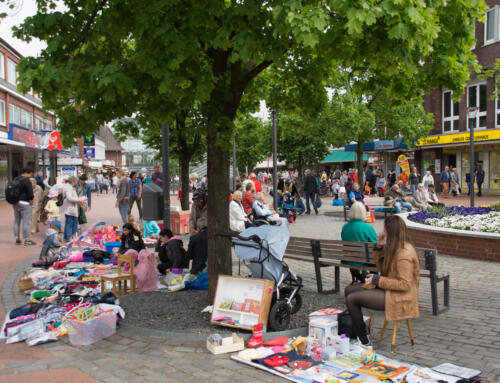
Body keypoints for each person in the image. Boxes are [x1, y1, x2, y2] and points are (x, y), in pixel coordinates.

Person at [345, 215, 420, 347]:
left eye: (385, 230)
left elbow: (405, 284)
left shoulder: (404, 254)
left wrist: (378, 280)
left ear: (391, 232)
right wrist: (379, 247)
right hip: (389, 288)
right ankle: (360, 330)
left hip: (400, 296)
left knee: (352, 299)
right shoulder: (394, 246)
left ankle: (364, 341)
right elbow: (381, 268)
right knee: (349, 290)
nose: (383, 232)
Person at [341, 202, 377, 284]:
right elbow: (375, 243)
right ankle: (372, 280)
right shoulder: (368, 227)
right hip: (365, 259)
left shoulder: (345, 227)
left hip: (349, 258)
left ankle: (359, 277)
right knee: (374, 257)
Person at [11, 168, 35, 245]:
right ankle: (26, 239)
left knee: (16, 221)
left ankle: (17, 238)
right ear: (26, 173)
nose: (30, 175)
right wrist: (31, 201)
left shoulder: (15, 179)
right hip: (25, 202)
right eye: (30, 174)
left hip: (15, 202)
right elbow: (30, 193)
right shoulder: (26, 180)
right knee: (26, 222)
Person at [62, 176, 84, 241]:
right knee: (70, 223)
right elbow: (69, 198)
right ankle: (70, 237)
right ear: (73, 181)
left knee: (72, 223)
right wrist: (78, 200)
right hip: (70, 208)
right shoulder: (68, 188)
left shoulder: (69, 187)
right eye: (76, 181)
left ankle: (70, 237)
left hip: (72, 208)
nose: (76, 183)